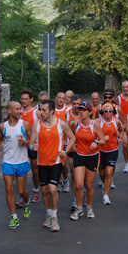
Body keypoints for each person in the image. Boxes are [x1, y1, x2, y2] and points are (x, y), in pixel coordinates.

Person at [28, 99, 76, 232]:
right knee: (44, 191)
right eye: (40, 110)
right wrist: (33, 146)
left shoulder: (61, 124)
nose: (41, 112)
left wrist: (65, 151)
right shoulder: (36, 125)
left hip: (56, 162)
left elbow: (72, 138)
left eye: (44, 110)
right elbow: (31, 143)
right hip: (41, 162)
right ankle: (48, 213)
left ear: (52, 111)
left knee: (52, 189)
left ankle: (54, 217)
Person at [0, 101, 32, 229]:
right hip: (8, 162)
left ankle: (27, 202)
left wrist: (25, 143)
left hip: (22, 161)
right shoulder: (3, 127)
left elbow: (32, 142)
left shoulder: (25, 125)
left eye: (20, 109)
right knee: (9, 189)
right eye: (17, 109)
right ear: (9, 111)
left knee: (21, 191)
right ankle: (14, 217)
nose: (20, 111)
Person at [70, 102, 106, 220]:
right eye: (80, 109)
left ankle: (89, 208)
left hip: (92, 157)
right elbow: (71, 137)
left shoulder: (95, 125)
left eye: (84, 110)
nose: (81, 112)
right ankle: (79, 209)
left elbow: (103, 140)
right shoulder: (76, 123)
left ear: (90, 112)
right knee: (79, 185)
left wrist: (96, 143)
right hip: (79, 156)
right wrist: (73, 145)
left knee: (89, 185)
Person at [98, 102, 123, 205]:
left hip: (113, 150)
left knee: (109, 173)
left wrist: (120, 137)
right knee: (102, 173)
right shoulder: (98, 122)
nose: (108, 113)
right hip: (101, 150)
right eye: (106, 111)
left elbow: (121, 131)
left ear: (113, 112)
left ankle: (106, 195)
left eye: (110, 111)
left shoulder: (116, 121)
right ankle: (106, 185)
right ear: (102, 112)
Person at [20, 89, 41, 204]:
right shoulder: (18, 112)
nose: (24, 101)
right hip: (21, 145)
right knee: (20, 171)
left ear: (31, 99)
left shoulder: (36, 113)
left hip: (33, 145)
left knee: (35, 171)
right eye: (22, 99)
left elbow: (42, 126)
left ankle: (36, 190)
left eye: (26, 99)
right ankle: (22, 193)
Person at [67, 95, 83, 210]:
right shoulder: (67, 113)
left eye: (78, 104)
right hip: (72, 148)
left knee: (84, 177)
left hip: (84, 148)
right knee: (74, 174)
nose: (76, 106)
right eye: (74, 104)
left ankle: (83, 194)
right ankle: (75, 198)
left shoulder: (87, 113)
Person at [54, 92, 71, 192]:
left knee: (64, 164)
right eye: (59, 98)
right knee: (57, 164)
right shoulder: (52, 110)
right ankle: (59, 180)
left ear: (65, 100)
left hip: (65, 141)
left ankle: (65, 180)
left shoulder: (67, 111)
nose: (60, 100)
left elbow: (68, 126)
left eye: (63, 98)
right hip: (54, 141)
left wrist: (67, 139)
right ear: (56, 98)